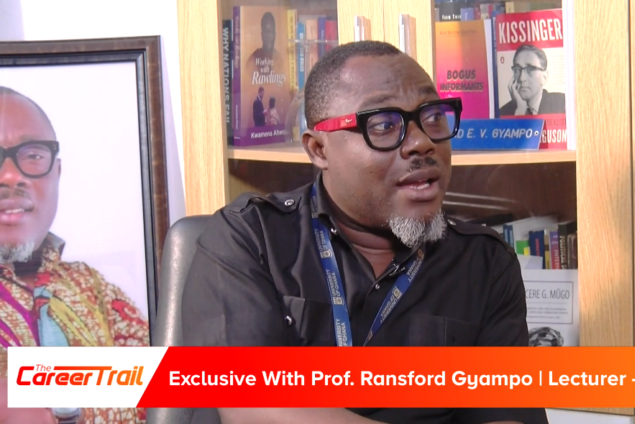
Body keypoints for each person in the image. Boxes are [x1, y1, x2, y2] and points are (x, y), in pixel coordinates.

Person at [183, 41, 548, 424]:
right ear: (319, 149)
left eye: (433, 116)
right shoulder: (250, 237)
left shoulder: (485, 263)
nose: (422, 142)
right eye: (384, 125)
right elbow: (252, 405)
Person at [0, 86, 148, 423]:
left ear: (57, 174)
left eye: (33, 155)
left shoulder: (89, 284)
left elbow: (178, 380)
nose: (10, 175)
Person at [499, 44, 565, 117]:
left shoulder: (563, 103)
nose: (521, 78)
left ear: (544, 77)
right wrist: (520, 110)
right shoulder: (502, 112)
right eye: (517, 69)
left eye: (530, 69)